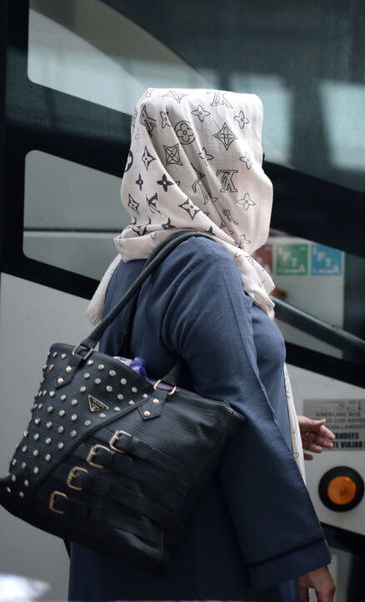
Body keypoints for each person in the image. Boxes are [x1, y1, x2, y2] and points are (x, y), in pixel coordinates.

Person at [72, 88, 335, 602]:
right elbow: (234, 399)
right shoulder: (203, 262)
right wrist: (300, 554)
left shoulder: (135, 255)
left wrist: (280, 416)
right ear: (215, 162)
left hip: (141, 549)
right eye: (248, 155)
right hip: (199, 554)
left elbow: (164, 390)